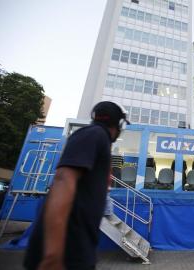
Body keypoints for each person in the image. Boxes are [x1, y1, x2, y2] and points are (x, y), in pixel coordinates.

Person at [24, 101, 129, 270]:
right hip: (66, 251)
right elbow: (63, 180)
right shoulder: (95, 134)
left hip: (77, 247)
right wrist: (52, 256)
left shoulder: (96, 138)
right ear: (119, 124)